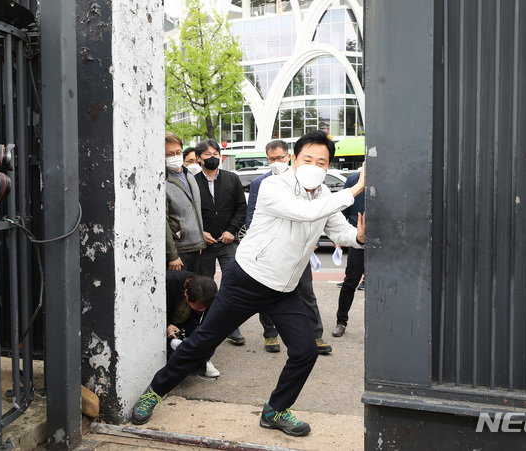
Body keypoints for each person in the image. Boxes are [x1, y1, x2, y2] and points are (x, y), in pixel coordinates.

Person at [132, 130, 366, 438]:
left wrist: (359, 237)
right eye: (308, 158)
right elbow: (304, 213)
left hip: (285, 290)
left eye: (322, 162)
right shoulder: (273, 186)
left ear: (328, 166)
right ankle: (155, 391)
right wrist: (356, 187)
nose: (314, 165)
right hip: (247, 281)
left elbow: (339, 231)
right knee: (203, 341)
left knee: (305, 351)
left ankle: (275, 410)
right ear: (294, 159)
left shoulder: (323, 196)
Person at [246, 140, 331, 355]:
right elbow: (252, 215)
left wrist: (313, 239)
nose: (277, 162)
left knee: (306, 293)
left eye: (280, 157)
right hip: (272, 253)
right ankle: (270, 334)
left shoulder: (306, 180)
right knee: (266, 294)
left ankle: (316, 335)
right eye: (272, 159)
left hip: (299, 251)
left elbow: (315, 212)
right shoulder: (261, 183)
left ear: (289, 157)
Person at [193, 139, 247, 345]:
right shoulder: (192, 182)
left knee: (232, 284)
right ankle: (204, 327)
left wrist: (231, 230)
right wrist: (200, 233)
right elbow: (190, 213)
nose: (213, 157)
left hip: (228, 242)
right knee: (203, 287)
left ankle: (232, 327)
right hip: (204, 244)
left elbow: (241, 208)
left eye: (216, 153)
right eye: (207, 154)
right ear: (199, 158)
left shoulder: (232, 179)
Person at [165, 132, 206, 272]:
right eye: (169, 154)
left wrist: (199, 241)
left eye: (178, 152)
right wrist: (172, 255)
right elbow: (163, 222)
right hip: (179, 250)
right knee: (179, 291)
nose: (175, 156)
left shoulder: (189, 175)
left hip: (195, 247)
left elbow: (195, 211)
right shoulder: (162, 182)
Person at [165, 270, 219, 377]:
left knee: (211, 330)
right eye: (198, 307)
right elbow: (149, 312)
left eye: (205, 307)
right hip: (165, 321)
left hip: (187, 322)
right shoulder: (168, 282)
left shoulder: (208, 291)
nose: (202, 309)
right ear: (186, 293)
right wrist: (167, 325)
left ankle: (205, 360)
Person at [332, 170, 365, 338]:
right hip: (357, 239)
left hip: (385, 243)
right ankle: (341, 321)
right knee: (350, 281)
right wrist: (338, 236)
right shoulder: (354, 179)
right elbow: (342, 211)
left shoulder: (390, 178)